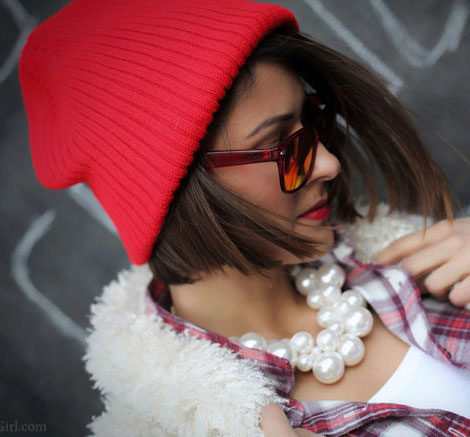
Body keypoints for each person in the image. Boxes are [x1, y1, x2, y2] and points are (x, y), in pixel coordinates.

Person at [18, 0, 470, 435]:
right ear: (180, 193)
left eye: (313, 122)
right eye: (283, 148)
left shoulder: (417, 263)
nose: (328, 163)